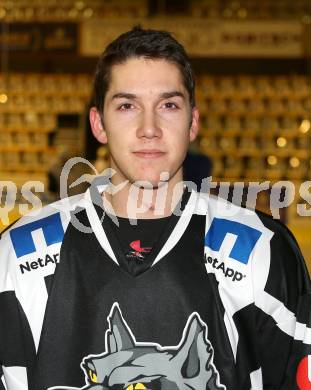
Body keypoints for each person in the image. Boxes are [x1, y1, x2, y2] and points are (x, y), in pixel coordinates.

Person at [0, 27, 310, 390]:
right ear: (99, 124)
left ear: (193, 122)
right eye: (127, 106)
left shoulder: (263, 252)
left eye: (169, 105)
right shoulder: (17, 257)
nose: (149, 128)